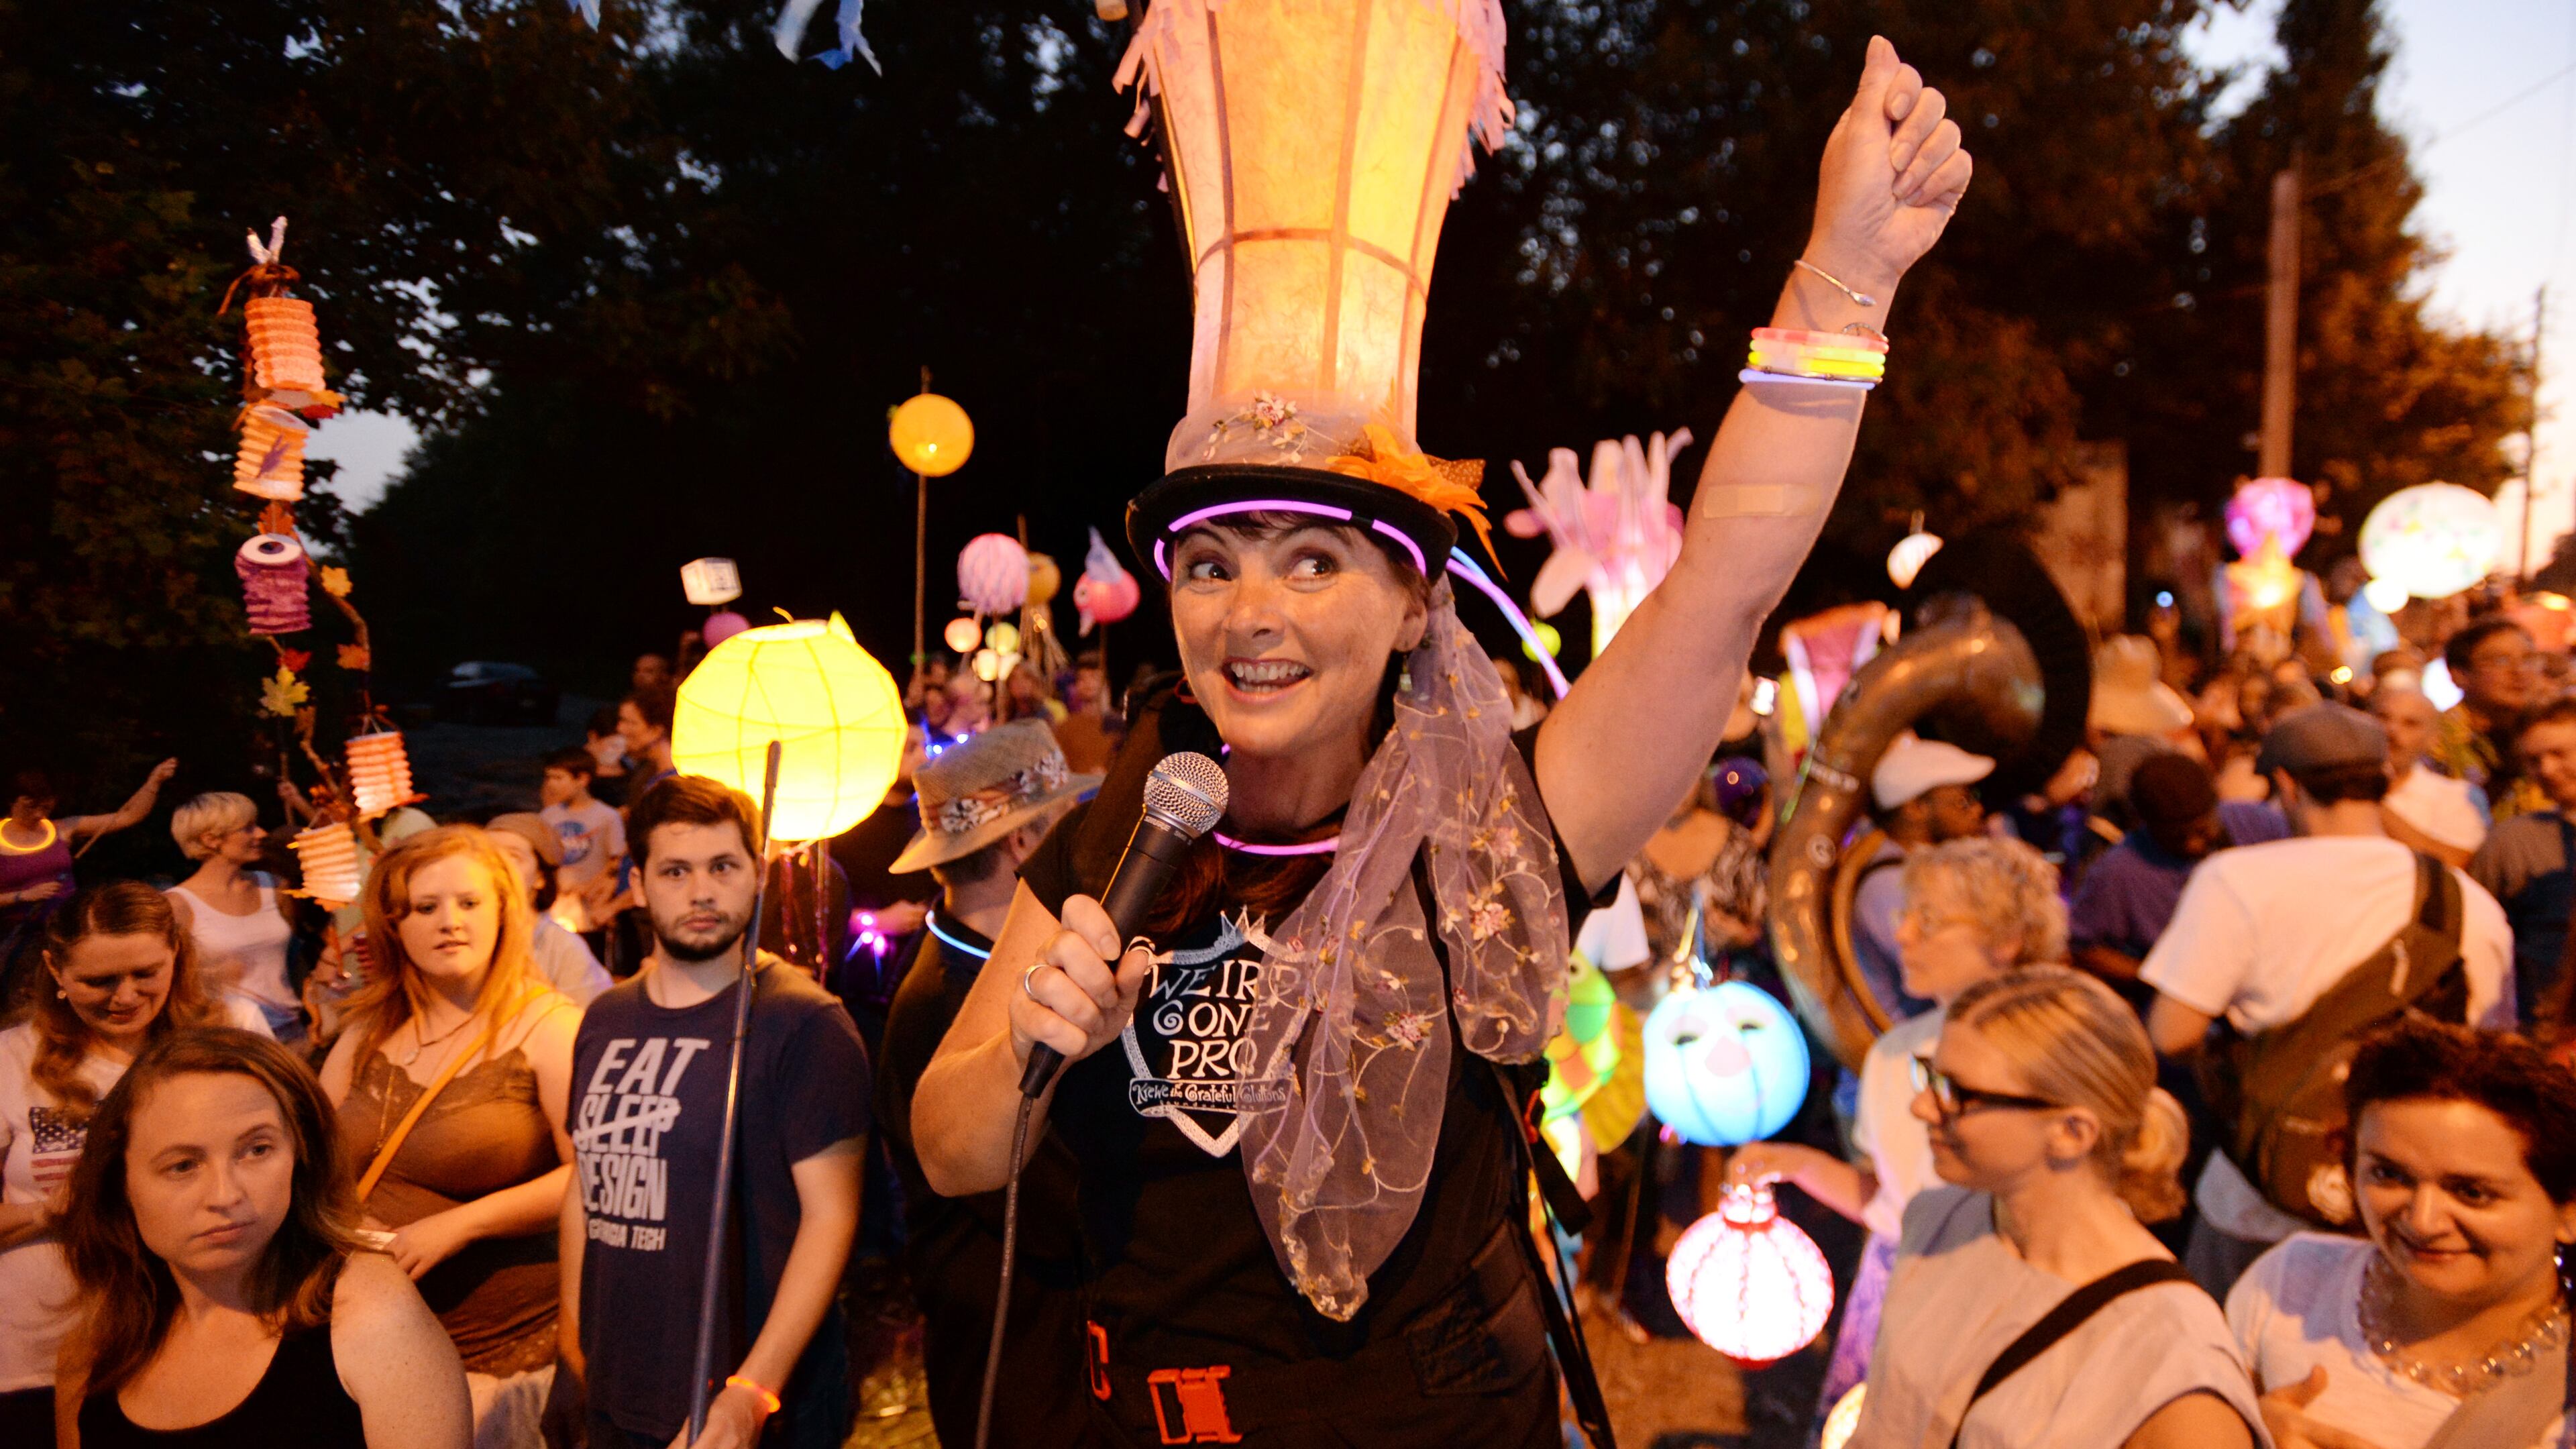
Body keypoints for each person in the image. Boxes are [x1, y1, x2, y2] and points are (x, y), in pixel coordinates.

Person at [916, 34, 1974, 1446]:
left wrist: (1844, 280)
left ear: (1415, 600)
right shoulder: (1136, 824)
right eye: (1214, 563)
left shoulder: (1506, 829)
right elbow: (949, 1148)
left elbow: (1725, 592)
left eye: (1310, 562)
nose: (1252, 613)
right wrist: (1026, 1059)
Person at [2143, 704, 2514, 1296]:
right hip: (2404, 1212)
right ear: (2386, 782)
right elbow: (2493, 1040)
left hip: (2256, 1203)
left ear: (2286, 784)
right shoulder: (2468, 903)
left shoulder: (2236, 880)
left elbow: (2172, 1033)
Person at [557, 776, 870, 1449]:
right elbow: (585, 1183)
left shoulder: (803, 1022)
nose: (701, 892)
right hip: (619, 1390)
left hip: (745, 1405)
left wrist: (752, 1393)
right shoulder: (604, 1019)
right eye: (675, 871)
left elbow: (831, 1217)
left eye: (722, 867)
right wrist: (572, 1337)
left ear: (757, 874)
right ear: (637, 885)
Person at [1846, 967, 2261, 1448]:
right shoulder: (1937, 1218)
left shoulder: (2170, 1363)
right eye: (1932, 1076)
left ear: (2072, 1133)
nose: (1922, 1108)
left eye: (1958, 1093)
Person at [1726, 837, 2066, 1417]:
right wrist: (1794, 1162)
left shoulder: (2060, 1059)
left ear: (2007, 939)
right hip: (1896, 1293)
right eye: (1907, 914)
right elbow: (1891, 1207)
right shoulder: (1895, 1055)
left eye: (1930, 920)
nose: (1904, 935)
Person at [57, 1026, 472, 1449]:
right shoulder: (95, 1344)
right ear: (119, 1183)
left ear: (301, 1153)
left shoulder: (369, 1312)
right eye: (183, 1166)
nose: (226, 1195)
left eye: (256, 1150)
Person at [318, 826, 581, 1448]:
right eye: (425, 908)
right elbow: (311, 1151)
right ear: (393, 925)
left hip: (500, 1350)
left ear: (503, 912)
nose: (449, 923)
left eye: (469, 904)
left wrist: (461, 1225)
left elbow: (593, 1174)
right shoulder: (368, 1029)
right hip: (371, 1341)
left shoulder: (551, 1029)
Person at [875, 720, 1099, 1446]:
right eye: (1065, 822)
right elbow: (1057, 1210)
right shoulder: (951, 1001)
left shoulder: (969, 962)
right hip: (1018, 1360)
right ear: (1025, 844)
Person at [2227, 1018, 2576, 1449]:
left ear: (2569, 1211)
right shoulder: (2291, 1281)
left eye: (2472, 1192)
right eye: (2389, 1175)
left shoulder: (2567, 1394)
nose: (2423, 1221)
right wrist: (2239, 1433)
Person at [0, 885, 270, 1439]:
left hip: (194, 1344)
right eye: (98, 981)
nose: (125, 997)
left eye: (146, 973)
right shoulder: (11, 1059)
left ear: (176, 952)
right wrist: (49, 1213)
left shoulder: (233, 1029)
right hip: (39, 1351)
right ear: (54, 968)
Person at [2067, 753, 2286, 998]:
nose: (2193, 844)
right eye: (2176, 837)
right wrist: (2153, 978)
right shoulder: (2117, 872)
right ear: (2144, 825)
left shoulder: (2258, 823)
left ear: (2215, 804)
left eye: (2202, 830)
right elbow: (2084, 949)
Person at [1849, 735, 1993, 1020]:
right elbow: (1955, 969)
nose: (1978, 810)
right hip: (1906, 1053)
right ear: (1915, 808)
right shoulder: (1887, 883)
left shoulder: (1919, 872)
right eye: (1964, 801)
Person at [0, 759, 178, 969]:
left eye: (46, 807)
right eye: (30, 807)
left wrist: (153, 783)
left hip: (67, 933)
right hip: (16, 938)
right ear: (11, 802)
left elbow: (128, 816)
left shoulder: (62, 829)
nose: (39, 814)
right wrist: (22, 896)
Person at [2471, 695, 2576, 1030]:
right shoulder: (2512, 843)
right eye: (2533, 760)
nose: (2545, 770)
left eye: (2559, 754)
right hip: (2545, 1029)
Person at [166, 792, 304, 1044]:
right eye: (248, 829)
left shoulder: (274, 887)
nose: (261, 834)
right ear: (211, 840)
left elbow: (296, 960)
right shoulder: (178, 905)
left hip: (292, 1033)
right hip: (232, 1041)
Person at [482, 813, 614, 1006]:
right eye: (488, 856)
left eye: (513, 857)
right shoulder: (464, 937)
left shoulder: (562, 948)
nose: (498, 866)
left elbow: (590, 1022)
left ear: (540, 877)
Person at [2434, 618, 2542, 822]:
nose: (2519, 672)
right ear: (2459, 676)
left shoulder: (2547, 734)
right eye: (2500, 661)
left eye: (2528, 659)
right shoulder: (2435, 739)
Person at [2373, 686, 2487, 867]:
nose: (2391, 730)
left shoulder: (2457, 796)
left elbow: (2456, 863)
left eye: (2410, 723)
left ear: (2433, 738)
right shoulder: (2327, 786)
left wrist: (2368, 801)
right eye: (2382, 717)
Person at [538, 749, 625, 926]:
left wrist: (592, 886)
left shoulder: (606, 816)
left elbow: (616, 861)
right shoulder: (548, 816)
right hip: (558, 905)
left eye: (559, 778)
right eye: (549, 778)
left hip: (591, 906)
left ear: (582, 780)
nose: (551, 785)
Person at [614, 687, 677, 804]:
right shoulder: (647, 773)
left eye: (631, 723)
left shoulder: (673, 784)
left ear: (656, 731)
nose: (620, 729)